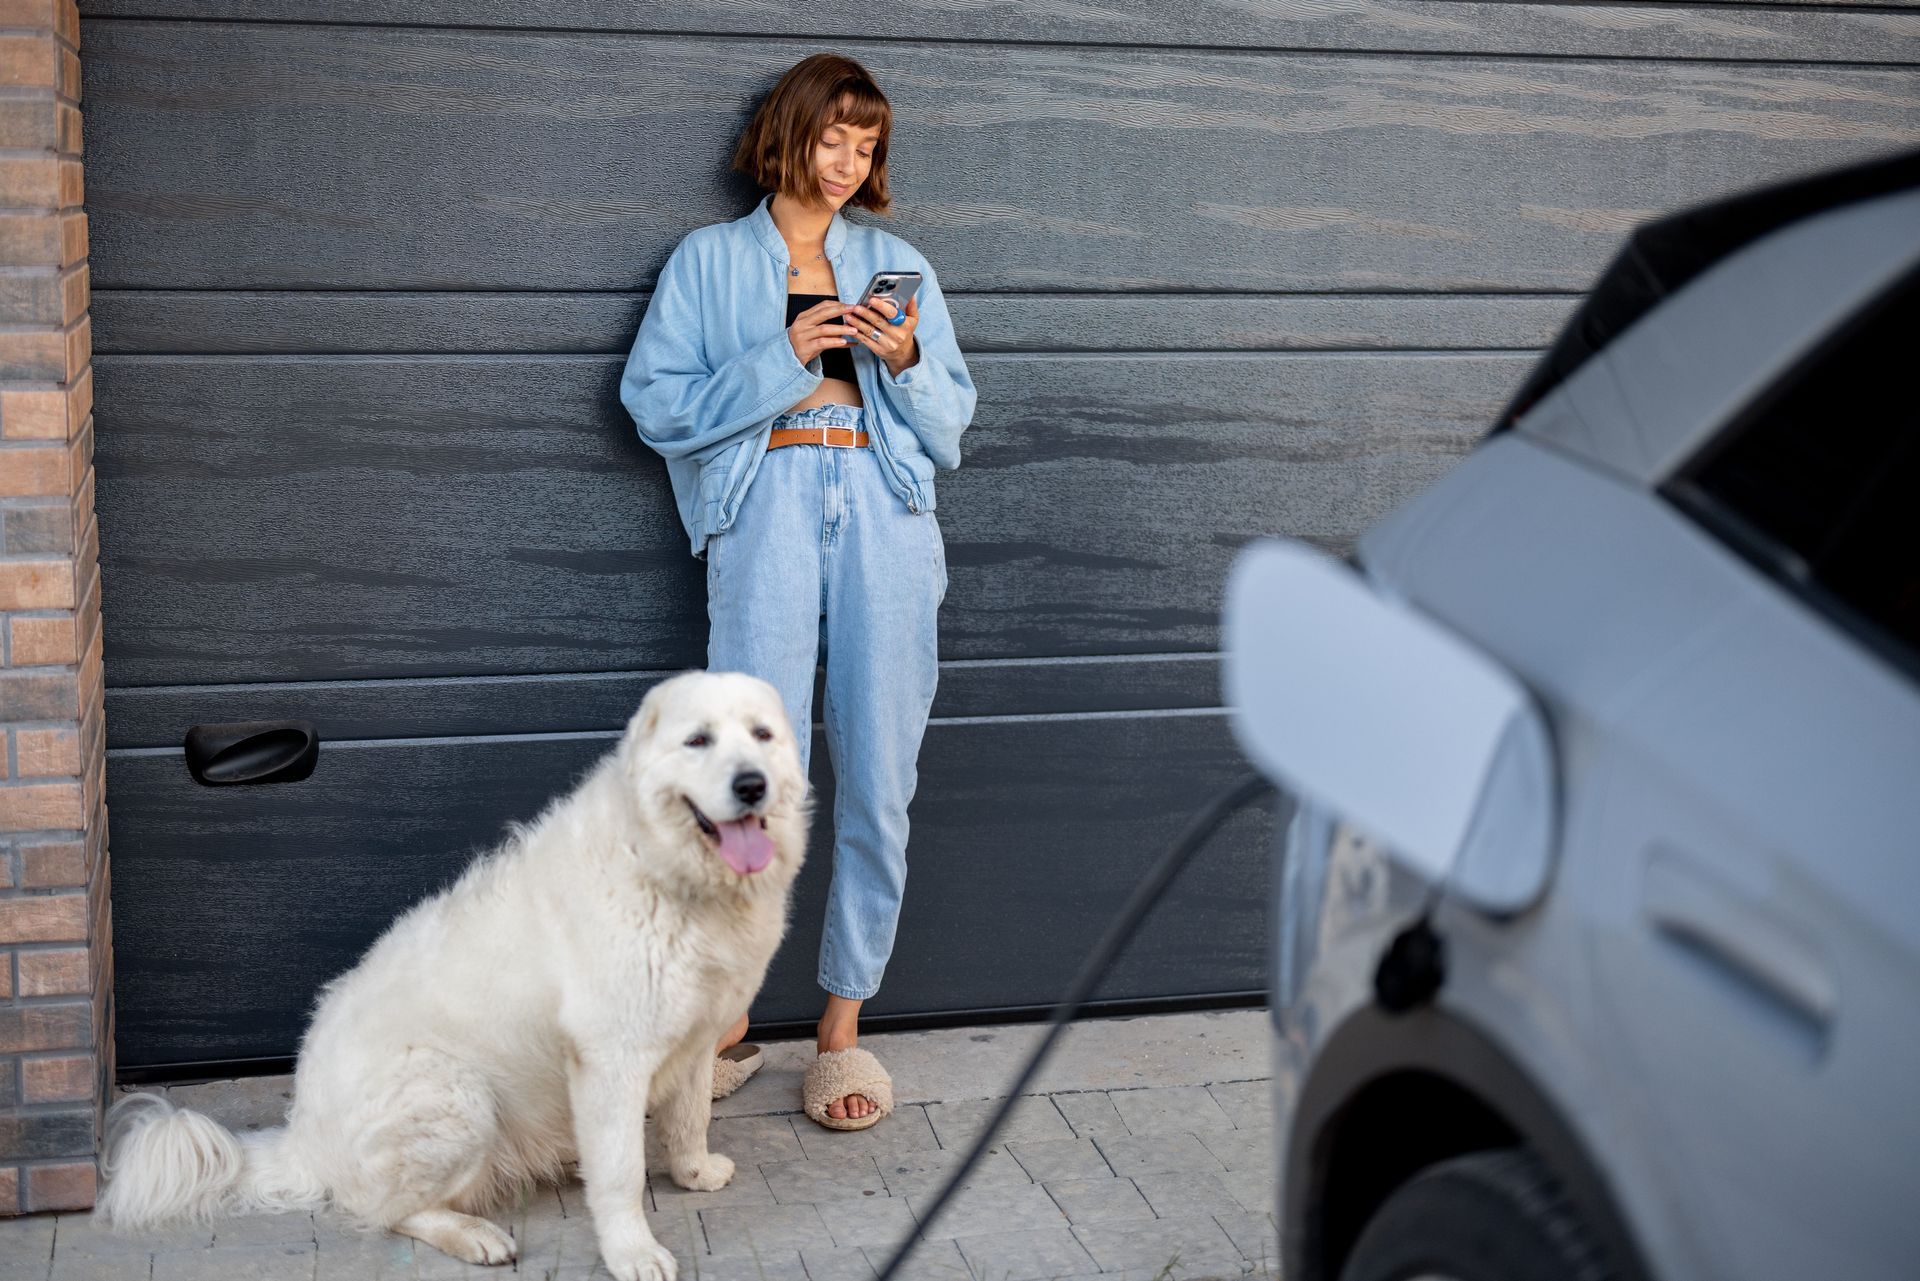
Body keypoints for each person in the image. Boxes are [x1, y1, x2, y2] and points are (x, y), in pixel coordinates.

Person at [619, 53, 976, 1132]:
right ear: (789, 134)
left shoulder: (895, 260)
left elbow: (953, 425)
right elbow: (654, 404)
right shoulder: (709, 262)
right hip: (767, 500)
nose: (847, 163)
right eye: (833, 139)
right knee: (746, 779)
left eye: (866, 147)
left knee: (878, 766)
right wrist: (785, 354)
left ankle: (841, 1029)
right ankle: (725, 1022)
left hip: (882, 501)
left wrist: (904, 356)